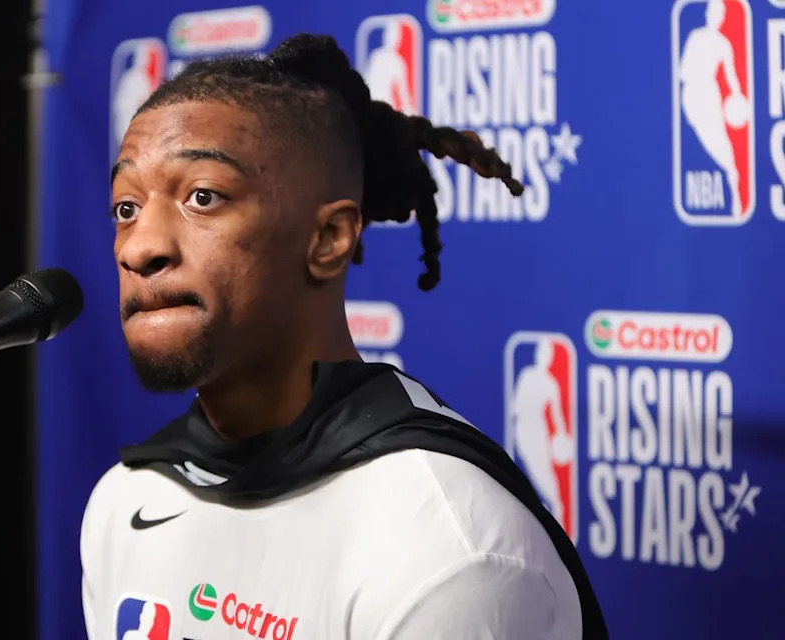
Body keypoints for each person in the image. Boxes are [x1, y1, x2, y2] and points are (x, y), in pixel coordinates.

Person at [82, 34, 607, 639]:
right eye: (126, 208)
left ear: (329, 239)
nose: (141, 246)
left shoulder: (446, 547)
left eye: (203, 197)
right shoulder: (124, 502)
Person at [679, 0, 747, 215]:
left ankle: (735, 191)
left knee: (721, 145)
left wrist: (737, 96)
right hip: (691, 96)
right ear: (707, 14)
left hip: (710, 94)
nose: (714, 16)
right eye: (712, 12)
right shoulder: (696, 37)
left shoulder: (724, 44)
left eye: (719, 13)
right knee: (700, 141)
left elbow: (731, 76)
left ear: (722, 17)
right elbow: (683, 71)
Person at [511, 339, 574, 528]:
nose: (543, 357)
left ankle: (556, 514)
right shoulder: (527, 375)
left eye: (547, 355)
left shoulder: (550, 383)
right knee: (524, 480)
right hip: (522, 433)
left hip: (538, 435)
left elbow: (557, 416)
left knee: (545, 479)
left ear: (550, 359)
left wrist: (562, 436)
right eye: (541, 353)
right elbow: (514, 407)